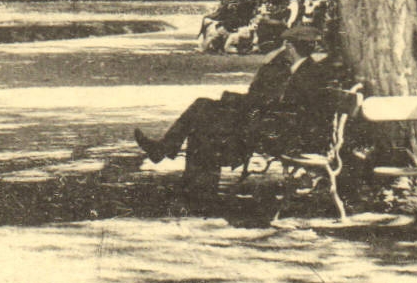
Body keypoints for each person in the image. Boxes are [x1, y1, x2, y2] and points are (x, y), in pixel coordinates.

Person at [133, 25, 326, 191]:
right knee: (203, 110)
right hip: (269, 124)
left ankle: (188, 178)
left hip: (275, 132)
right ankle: (191, 182)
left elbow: (280, 106)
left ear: (290, 47)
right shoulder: (301, 69)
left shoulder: (307, 74)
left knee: (204, 123)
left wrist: (236, 102)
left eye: (286, 47)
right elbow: (270, 100)